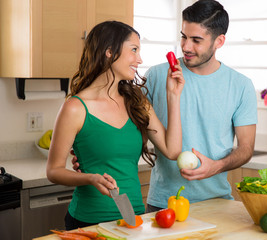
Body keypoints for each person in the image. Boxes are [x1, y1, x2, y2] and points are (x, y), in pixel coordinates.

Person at [46, 21, 185, 230]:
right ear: (109, 51)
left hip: (133, 219)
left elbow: (172, 150)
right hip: (88, 223)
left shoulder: (136, 102)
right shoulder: (75, 108)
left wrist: (173, 96)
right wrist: (90, 178)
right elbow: (53, 171)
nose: (140, 59)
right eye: (134, 50)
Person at [144, 0, 257, 212]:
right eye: (184, 37)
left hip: (216, 204)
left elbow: (246, 148)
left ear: (219, 41)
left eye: (196, 40)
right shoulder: (157, 75)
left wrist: (217, 166)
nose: (186, 47)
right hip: (163, 204)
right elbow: (130, 128)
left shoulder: (241, 85)